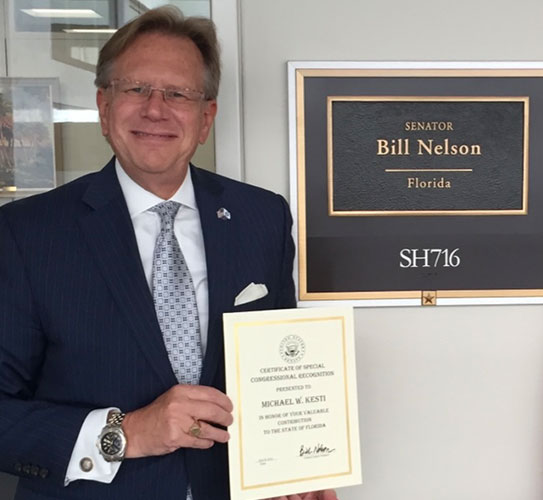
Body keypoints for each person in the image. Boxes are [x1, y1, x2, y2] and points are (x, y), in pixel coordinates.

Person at [0, 6, 337, 500]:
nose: (155, 109)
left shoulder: (261, 217)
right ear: (104, 106)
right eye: (135, 89)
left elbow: (277, 377)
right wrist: (126, 434)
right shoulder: (25, 233)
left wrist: (297, 472)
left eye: (177, 93)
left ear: (206, 118)